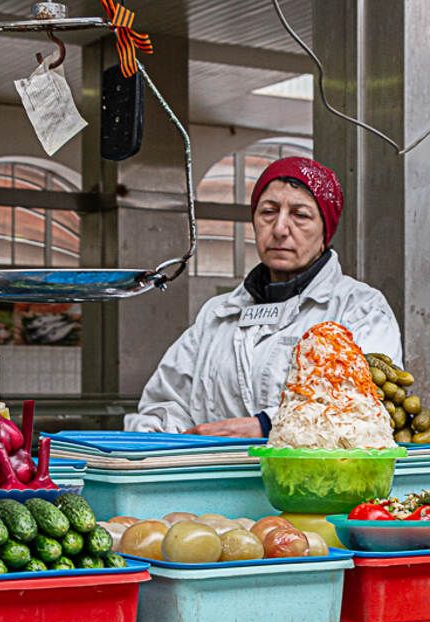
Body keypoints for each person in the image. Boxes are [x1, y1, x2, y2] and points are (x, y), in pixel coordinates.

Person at [124, 157, 403, 437]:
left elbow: (366, 406)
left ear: (325, 233)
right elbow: (165, 403)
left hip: (316, 480)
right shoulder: (217, 314)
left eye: (301, 215)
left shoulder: (361, 309)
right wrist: (154, 436)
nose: (280, 229)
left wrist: (266, 425)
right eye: (268, 212)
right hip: (213, 478)